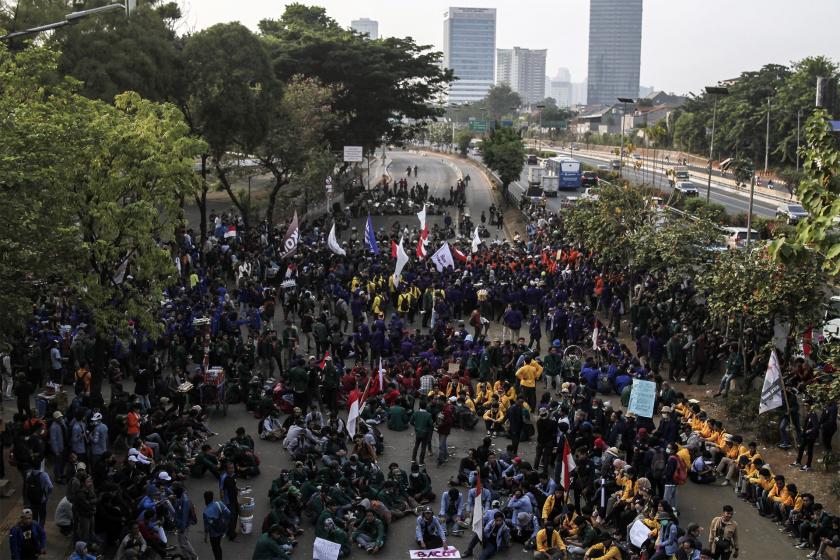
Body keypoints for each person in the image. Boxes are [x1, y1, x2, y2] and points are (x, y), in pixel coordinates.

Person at [791, 400, 820, 471]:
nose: (805, 407)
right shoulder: (809, 413)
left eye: (806, 405)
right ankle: (798, 462)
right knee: (801, 448)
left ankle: (808, 465)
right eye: (804, 405)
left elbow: (816, 426)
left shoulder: (813, 414)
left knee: (810, 451)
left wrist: (808, 431)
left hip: (811, 436)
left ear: (810, 406)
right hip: (806, 435)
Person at [203, 490, 231, 560]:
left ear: (205, 499)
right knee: (218, 546)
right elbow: (228, 513)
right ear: (212, 497)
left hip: (213, 534)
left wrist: (205, 537)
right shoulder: (219, 504)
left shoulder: (205, 512)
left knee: (215, 548)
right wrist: (226, 523)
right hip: (222, 530)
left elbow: (206, 526)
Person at [410, 401, 434, 465]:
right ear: (426, 407)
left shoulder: (416, 413)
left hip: (418, 432)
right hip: (425, 433)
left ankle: (413, 459)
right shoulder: (428, 415)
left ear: (419, 406)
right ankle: (421, 461)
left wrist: (416, 426)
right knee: (423, 447)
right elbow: (431, 425)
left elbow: (411, 422)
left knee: (416, 446)